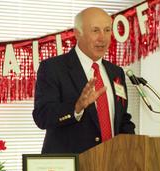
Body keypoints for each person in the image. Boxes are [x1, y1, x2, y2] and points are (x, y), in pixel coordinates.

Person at [32, 7, 135, 154]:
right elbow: (42, 117)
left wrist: (136, 148)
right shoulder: (53, 68)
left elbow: (122, 119)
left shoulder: (116, 72)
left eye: (107, 30)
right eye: (95, 30)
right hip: (71, 167)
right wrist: (76, 107)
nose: (103, 37)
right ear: (77, 33)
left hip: (112, 166)